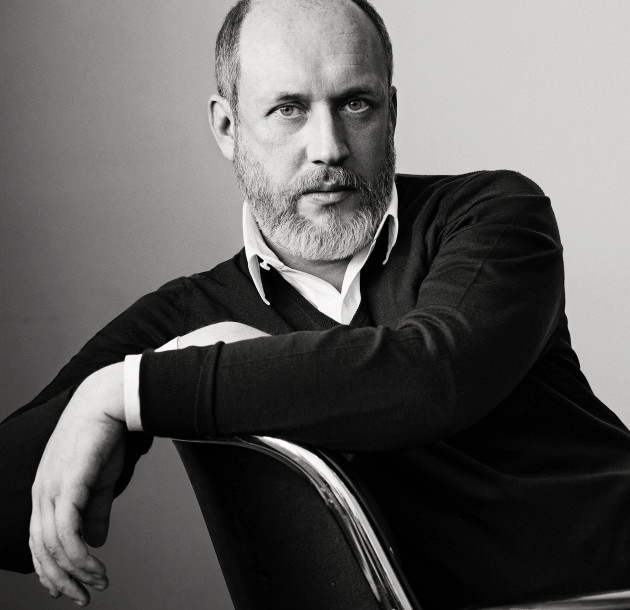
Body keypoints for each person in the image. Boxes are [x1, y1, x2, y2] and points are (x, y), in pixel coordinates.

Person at [2, 0, 630, 608]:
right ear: (227, 128)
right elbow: (7, 516)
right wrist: (119, 394)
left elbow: (433, 377)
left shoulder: (491, 215)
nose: (329, 147)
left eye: (356, 103)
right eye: (289, 109)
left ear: (391, 112)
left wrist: (135, 390)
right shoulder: (184, 320)